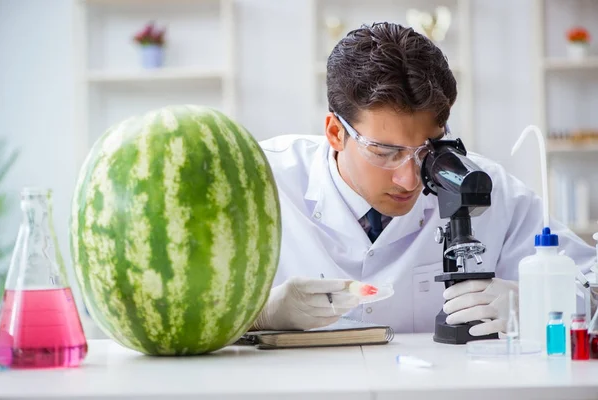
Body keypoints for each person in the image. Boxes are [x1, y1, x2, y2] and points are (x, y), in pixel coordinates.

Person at [251, 22, 596, 336]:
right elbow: (195, 312)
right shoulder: (262, 181)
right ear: (335, 133)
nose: (408, 179)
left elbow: (591, 283)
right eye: (385, 152)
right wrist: (259, 314)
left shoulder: (483, 186)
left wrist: (544, 300)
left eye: (427, 150)